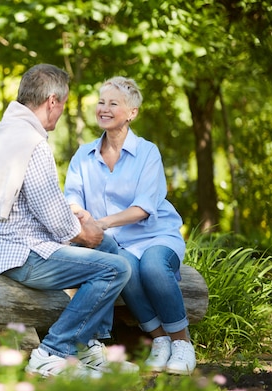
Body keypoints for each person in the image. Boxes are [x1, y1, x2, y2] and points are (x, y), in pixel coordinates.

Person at [0, 64, 138, 378]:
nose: (60, 112)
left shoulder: (4, 133)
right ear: (52, 102)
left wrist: (74, 216)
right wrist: (85, 229)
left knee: (109, 247)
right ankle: (51, 353)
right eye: (63, 103)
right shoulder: (34, 142)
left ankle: (88, 347)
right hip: (19, 254)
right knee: (116, 267)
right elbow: (56, 223)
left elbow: (28, 202)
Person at [63, 76, 196, 375]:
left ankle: (182, 342)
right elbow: (71, 197)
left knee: (151, 266)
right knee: (125, 269)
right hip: (113, 243)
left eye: (113, 103)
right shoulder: (83, 156)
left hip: (155, 235)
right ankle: (160, 340)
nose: (104, 108)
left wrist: (100, 222)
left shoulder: (148, 152)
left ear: (132, 112)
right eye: (101, 102)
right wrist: (80, 216)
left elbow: (144, 207)